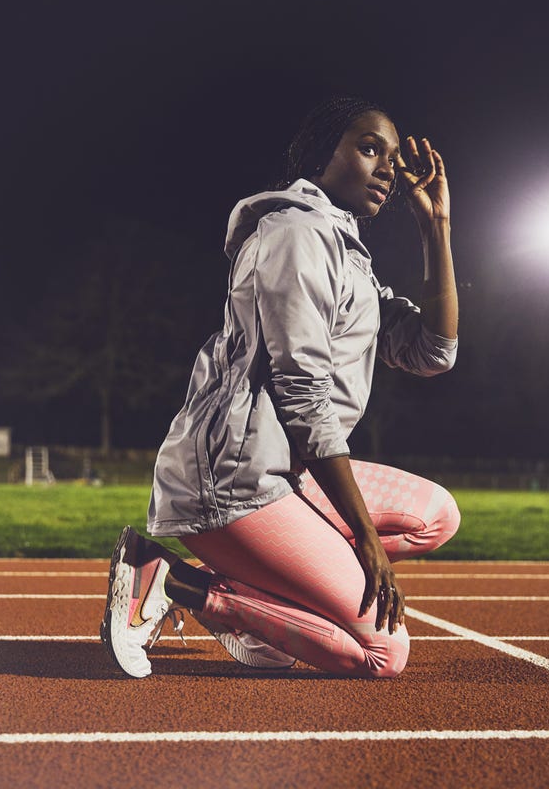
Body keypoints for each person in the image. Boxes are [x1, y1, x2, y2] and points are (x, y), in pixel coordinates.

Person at [100, 96, 461, 679]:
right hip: (232, 480)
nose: (389, 168)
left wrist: (436, 228)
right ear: (323, 155)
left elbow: (432, 352)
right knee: (383, 655)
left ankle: (270, 594)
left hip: (281, 469)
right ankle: (174, 583)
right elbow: (302, 392)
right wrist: (365, 541)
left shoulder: (347, 252)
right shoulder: (296, 233)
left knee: (435, 516)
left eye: (393, 157)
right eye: (370, 149)